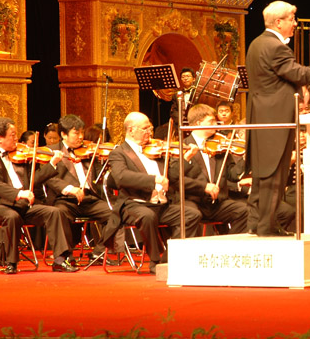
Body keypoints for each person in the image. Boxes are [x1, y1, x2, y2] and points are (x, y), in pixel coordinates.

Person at [245, 0, 310, 236]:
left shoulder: (256, 43)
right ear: (278, 22)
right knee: (274, 176)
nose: (295, 23)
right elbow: (298, 74)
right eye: (292, 19)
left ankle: (257, 224)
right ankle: (266, 228)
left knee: (263, 174)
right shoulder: (276, 47)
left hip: (261, 117)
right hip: (275, 120)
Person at [103, 112, 202, 273]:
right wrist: (153, 179)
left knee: (191, 214)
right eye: (145, 128)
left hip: (160, 205)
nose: (149, 131)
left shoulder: (157, 150)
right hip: (133, 204)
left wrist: (185, 158)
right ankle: (155, 261)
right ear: (131, 130)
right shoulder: (119, 153)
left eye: (150, 127)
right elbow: (121, 177)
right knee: (147, 216)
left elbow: (174, 176)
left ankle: (169, 259)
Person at [0, 117, 78, 273]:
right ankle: (11, 262)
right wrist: (18, 193)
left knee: (54, 212)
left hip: (22, 204)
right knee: (12, 216)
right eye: (12, 135)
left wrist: (52, 164)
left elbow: (34, 180)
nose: (16, 138)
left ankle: (60, 260)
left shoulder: (20, 154)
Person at [44, 114, 112, 263]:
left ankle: (99, 252)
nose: (81, 137)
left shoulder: (88, 150)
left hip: (89, 198)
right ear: (63, 134)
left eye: (82, 132)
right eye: (76, 133)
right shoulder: (50, 151)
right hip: (65, 199)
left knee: (115, 214)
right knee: (59, 213)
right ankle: (66, 255)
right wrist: (69, 188)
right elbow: (49, 178)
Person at [179, 104, 248, 234]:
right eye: (211, 121)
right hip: (194, 201)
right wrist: (204, 186)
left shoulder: (219, 145)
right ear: (198, 123)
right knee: (190, 214)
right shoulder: (183, 146)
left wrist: (245, 158)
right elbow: (177, 178)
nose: (216, 124)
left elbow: (233, 175)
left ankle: (226, 249)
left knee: (245, 210)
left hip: (218, 203)